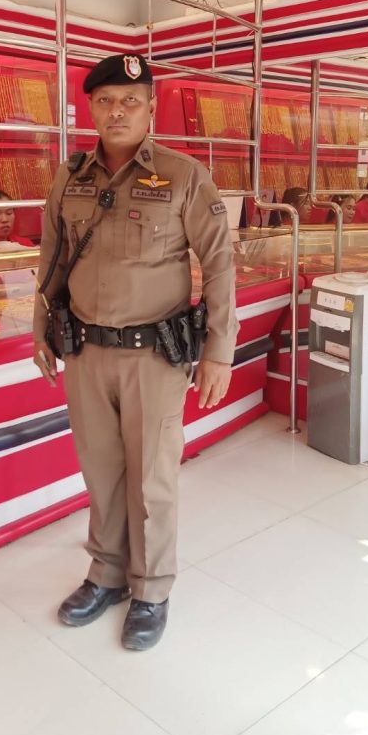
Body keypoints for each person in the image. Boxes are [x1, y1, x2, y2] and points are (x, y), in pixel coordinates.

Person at [33, 53, 238, 652]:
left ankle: (151, 588)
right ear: (90, 108)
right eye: (104, 101)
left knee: (151, 480)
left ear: (150, 108)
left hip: (154, 355)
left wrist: (220, 350)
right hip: (86, 352)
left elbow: (220, 264)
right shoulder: (70, 177)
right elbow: (50, 260)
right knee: (101, 473)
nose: (116, 111)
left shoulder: (183, 175)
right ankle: (107, 574)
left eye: (130, 101)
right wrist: (40, 330)